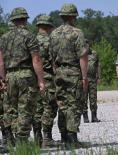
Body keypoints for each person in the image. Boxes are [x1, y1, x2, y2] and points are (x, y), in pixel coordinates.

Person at [0, 7, 45, 144]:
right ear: (25, 20)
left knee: (11, 109)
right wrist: (41, 80)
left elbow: (1, 62)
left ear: (13, 20)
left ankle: (12, 138)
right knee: (26, 109)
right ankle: (22, 141)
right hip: (26, 76)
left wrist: (2, 79)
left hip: (10, 76)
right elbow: (36, 59)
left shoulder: (3, 38)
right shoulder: (29, 36)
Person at [49, 3, 88, 146]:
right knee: (74, 104)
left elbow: (51, 56)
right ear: (73, 17)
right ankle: (72, 138)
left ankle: (64, 136)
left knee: (62, 104)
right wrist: (84, 77)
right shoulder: (77, 33)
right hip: (73, 72)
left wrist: (57, 71)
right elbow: (82, 57)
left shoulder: (53, 33)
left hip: (58, 71)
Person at [34, 14, 58, 147]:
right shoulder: (50, 42)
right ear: (49, 27)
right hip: (47, 78)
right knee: (50, 106)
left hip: (33, 79)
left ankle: (37, 137)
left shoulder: (31, 40)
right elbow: (54, 63)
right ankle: (47, 137)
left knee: (37, 108)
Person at [82, 40, 101, 123]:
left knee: (93, 98)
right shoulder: (80, 54)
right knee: (84, 98)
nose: (86, 46)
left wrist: (99, 77)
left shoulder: (94, 53)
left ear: (89, 45)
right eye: (84, 45)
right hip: (83, 79)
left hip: (93, 79)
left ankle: (94, 116)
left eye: (87, 44)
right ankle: (85, 117)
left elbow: (98, 66)